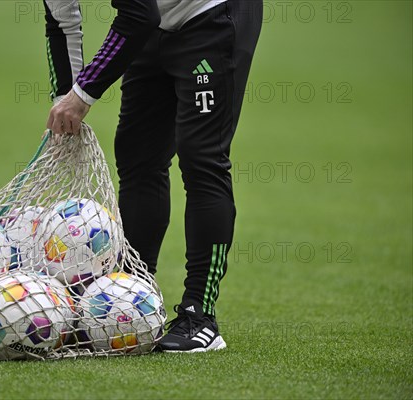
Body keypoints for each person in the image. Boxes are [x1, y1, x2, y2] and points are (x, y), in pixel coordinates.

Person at [42, 0, 262, 352]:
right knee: (137, 156)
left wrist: (83, 95)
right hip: (154, 23)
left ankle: (199, 315)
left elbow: (138, 15)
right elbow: (61, 20)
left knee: (201, 159)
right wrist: (64, 101)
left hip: (212, 14)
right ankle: (130, 299)